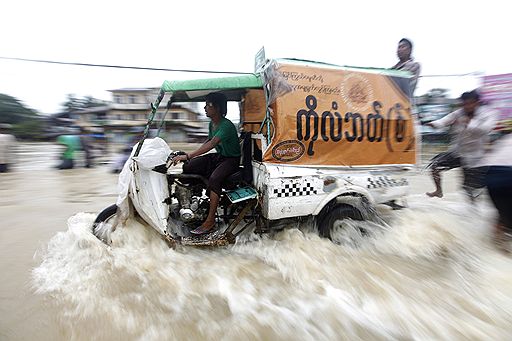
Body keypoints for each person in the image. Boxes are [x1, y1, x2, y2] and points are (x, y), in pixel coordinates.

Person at [172, 92, 241, 235]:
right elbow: (208, 141)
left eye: (208, 105)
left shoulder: (226, 125)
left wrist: (189, 155)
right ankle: (193, 204)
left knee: (215, 179)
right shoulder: (212, 124)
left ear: (218, 108)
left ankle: (210, 220)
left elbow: (212, 144)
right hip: (220, 157)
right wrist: (188, 157)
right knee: (190, 166)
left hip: (231, 160)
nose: (204, 108)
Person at [424, 90, 497, 200]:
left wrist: (469, 123)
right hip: (457, 152)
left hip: (475, 156)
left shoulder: (488, 114)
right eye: (464, 104)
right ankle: (438, 191)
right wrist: (434, 124)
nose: (467, 106)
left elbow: (485, 129)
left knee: (469, 188)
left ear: (477, 103)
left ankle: (473, 207)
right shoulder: (459, 113)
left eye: (470, 103)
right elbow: (445, 120)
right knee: (435, 166)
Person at [479, 123, 512, 251]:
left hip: (491, 177)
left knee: (501, 215)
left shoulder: (503, 140)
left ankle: (496, 249)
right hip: (508, 176)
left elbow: (485, 158)